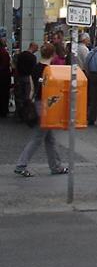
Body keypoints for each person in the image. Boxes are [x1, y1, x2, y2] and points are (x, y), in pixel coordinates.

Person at [14, 43, 69, 177]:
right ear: (53, 54)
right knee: (38, 138)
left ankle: (56, 166)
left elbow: (32, 89)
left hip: (37, 103)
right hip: (47, 107)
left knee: (50, 138)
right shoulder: (50, 70)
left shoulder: (35, 68)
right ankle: (21, 165)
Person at [0, 37, 10, 117]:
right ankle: (4, 111)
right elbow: (5, 64)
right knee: (4, 94)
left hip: (3, 75)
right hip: (3, 76)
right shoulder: (4, 52)